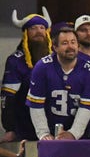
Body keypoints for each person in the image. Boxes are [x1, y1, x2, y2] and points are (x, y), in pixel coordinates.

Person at [26, 26, 90, 140]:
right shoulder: (42, 67)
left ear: (78, 45)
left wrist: (73, 133)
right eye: (65, 43)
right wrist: (43, 133)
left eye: (73, 42)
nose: (70, 46)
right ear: (55, 47)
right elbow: (36, 104)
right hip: (49, 127)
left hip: (83, 134)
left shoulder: (89, 70)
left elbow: (87, 107)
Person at [2, 7, 53, 142]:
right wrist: (10, 128)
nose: (38, 31)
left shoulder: (56, 59)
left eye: (42, 28)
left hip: (53, 125)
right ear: (26, 33)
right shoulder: (15, 61)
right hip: (24, 126)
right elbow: (8, 98)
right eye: (33, 28)